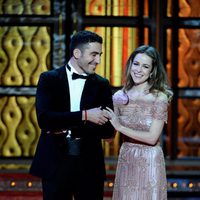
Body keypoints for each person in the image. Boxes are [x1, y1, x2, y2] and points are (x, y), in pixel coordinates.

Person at [30, 30, 115, 200]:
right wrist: (85, 116)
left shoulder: (102, 84)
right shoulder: (49, 79)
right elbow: (45, 119)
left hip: (89, 164)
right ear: (77, 53)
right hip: (55, 163)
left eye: (100, 54)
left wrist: (65, 125)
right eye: (94, 54)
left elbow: (107, 130)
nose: (98, 60)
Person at [105, 45, 173, 200]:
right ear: (130, 65)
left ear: (152, 71)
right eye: (136, 64)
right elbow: (109, 138)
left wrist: (120, 126)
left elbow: (152, 137)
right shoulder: (119, 97)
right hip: (127, 157)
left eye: (145, 66)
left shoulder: (159, 97)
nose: (139, 70)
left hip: (150, 160)